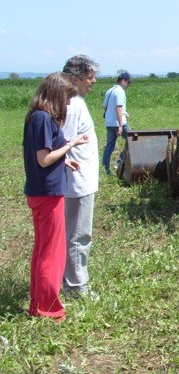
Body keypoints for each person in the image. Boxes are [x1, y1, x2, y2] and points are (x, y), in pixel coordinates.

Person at [23, 72, 89, 321]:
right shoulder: (42, 119)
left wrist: (64, 161)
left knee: (43, 250)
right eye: (67, 97)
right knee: (52, 253)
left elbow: (44, 157)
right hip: (48, 193)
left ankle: (38, 305)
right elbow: (43, 159)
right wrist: (70, 145)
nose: (69, 103)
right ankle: (49, 309)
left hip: (41, 190)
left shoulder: (36, 117)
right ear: (56, 94)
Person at [61, 55, 100, 299]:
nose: (93, 81)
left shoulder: (73, 102)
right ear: (75, 79)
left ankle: (70, 281)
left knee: (76, 233)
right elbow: (62, 142)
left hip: (81, 180)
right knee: (78, 235)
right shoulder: (72, 104)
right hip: (77, 182)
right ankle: (76, 288)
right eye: (90, 76)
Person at [102, 72, 132, 174]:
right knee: (133, 141)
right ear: (123, 81)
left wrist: (124, 112)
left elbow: (106, 107)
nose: (128, 85)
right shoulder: (120, 91)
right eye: (128, 83)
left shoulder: (110, 91)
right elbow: (118, 108)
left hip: (109, 123)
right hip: (119, 123)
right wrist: (120, 126)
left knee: (109, 146)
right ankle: (119, 163)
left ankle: (105, 169)